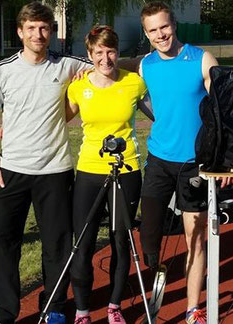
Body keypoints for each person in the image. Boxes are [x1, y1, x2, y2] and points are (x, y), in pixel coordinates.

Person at [0, 1, 91, 324]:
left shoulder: (67, 65)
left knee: (57, 243)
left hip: (54, 171)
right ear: (20, 32)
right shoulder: (1, 71)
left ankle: (54, 307)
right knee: (2, 241)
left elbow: (102, 63)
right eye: (31, 28)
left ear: (52, 32)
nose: (38, 34)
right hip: (10, 171)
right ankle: (2, 313)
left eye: (44, 28)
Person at [138, 1, 230, 324]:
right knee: (148, 238)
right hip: (159, 161)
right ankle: (157, 269)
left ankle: (193, 309)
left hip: (195, 164)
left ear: (174, 23)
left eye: (164, 27)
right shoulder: (145, 66)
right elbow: (127, 86)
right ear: (146, 34)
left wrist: (222, 159)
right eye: (153, 30)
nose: (160, 34)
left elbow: (223, 112)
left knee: (196, 236)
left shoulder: (202, 59)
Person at [65, 25, 147, 324]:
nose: (105, 58)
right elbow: (54, 119)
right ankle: (83, 311)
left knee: (121, 240)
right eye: (98, 52)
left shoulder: (135, 84)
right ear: (90, 54)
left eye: (110, 51)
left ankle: (115, 306)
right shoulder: (77, 87)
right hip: (89, 170)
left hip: (127, 170)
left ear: (118, 52)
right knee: (83, 242)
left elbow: (162, 114)